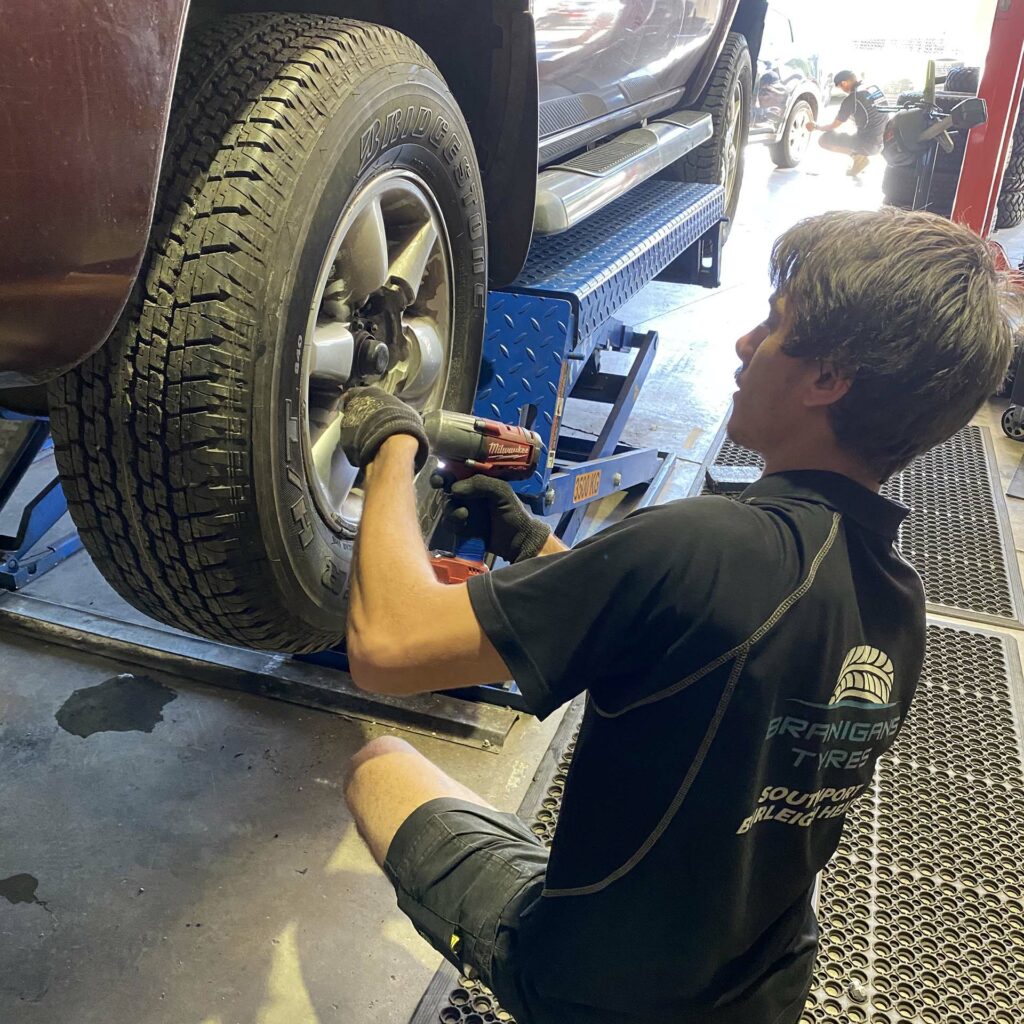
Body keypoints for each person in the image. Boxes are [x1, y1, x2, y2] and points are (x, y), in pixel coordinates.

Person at [339, 208, 1013, 1024]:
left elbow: (387, 644)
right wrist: (535, 547)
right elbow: (683, 639)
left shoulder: (705, 545)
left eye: (774, 325)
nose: (742, 346)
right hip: (756, 992)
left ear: (828, 378)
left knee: (379, 764)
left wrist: (391, 445)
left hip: (596, 991)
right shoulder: (898, 599)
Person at [808, 70, 888, 176]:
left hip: (869, 144)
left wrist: (816, 127)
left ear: (844, 83)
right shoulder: (873, 87)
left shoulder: (852, 99)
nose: (842, 90)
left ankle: (859, 158)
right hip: (884, 141)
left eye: (840, 87)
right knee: (861, 131)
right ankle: (860, 157)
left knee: (824, 140)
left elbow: (833, 126)